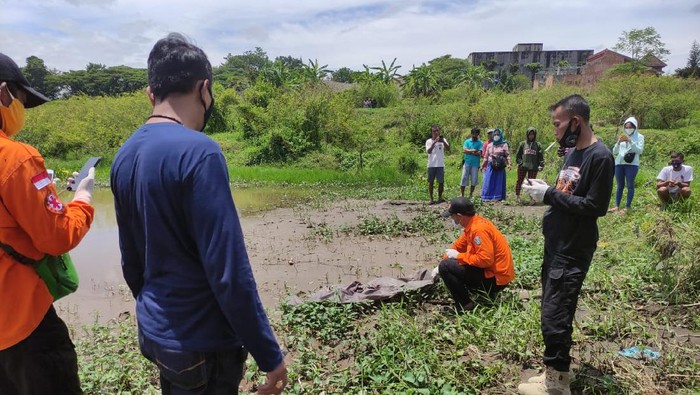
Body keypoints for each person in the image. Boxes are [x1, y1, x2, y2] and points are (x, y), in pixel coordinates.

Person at [110, 34, 287, 395]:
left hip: (157, 334)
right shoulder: (201, 153)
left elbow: (131, 261)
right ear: (204, 89)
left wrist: (156, 316)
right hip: (204, 342)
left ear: (151, 93)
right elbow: (229, 273)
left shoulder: (124, 156)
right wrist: (269, 355)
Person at [0, 53, 95, 394]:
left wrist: (45, 188)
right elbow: (56, 237)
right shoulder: (15, 157)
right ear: (3, 95)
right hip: (23, 328)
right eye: (21, 101)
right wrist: (81, 199)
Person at [519, 95, 614, 395]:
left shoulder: (600, 157)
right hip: (556, 244)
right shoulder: (573, 153)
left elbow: (594, 206)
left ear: (576, 121)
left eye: (557, 124)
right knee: (551, 308)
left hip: (573, 248)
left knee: (555, 316)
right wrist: (546, 190)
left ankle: (557, 385)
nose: (555, 131)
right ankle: (556, 372)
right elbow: (567, 193)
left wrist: (548, 195)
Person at [437, 197, 515, 312]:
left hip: (497, 279)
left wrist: (458, 256)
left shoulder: (478, 230)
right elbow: (457, 246)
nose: (451, 219)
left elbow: (486, 260)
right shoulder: (473, 224)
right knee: (445, 264)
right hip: (494, 274)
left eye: (452, 216)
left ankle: (465, 305)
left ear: (459, 216)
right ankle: (484, 295)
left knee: (445, 267)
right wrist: (442, 262)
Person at [610, 117, 645, 213]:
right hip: (619, 163)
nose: (628, 128)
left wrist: (630, 141)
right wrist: (618, 142)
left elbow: (640, 151)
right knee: (619, 185)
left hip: (632, 164)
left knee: (630, 185)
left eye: (630, 127)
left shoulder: (640, 137)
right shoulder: (622, 136)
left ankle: (627, 207)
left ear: (635, 127)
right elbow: (614, 151)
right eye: (626, 127)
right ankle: (616, 206)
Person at [515, 127, 545, 202]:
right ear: (527, 135)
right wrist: (520, 163)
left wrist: (541, 165)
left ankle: (532, 198)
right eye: (530, 134)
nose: (531, 136)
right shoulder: (523, 144)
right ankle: (518, 196)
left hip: (533, 167)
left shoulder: (538, 145)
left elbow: (540, 157)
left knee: (532, 183)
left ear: (535, 135)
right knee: (520, 181)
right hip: (523, 166)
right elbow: (518, 155)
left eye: (533, 134)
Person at [481, 128, 511, 201]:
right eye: (495, 134)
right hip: (490, 165)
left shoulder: (504, 144)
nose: (496, 136)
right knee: (488, 181)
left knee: (499, 181)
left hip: (500, 166)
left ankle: (498, 197)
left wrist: (509, 164)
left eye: (498, 134)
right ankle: (487, 197)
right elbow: (485, 157)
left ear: (500, 135)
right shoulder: (490, 145)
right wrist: (482, 166)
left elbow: (507, 155)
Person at [425, 124, 450, 204]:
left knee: (441, 182)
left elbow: (448, 149)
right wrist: (434, 142)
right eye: (434, 131)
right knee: (431, 182)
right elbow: (428, 151)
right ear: (431, 132)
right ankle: (431, 199)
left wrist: (442, 142)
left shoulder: (443, 140)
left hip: (440, 164)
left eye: (437, 131)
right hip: (431, 165)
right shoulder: (428, 141)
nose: (436, 132)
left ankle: (440, 198)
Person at [461, 128, 483, 198]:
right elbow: (464, 150)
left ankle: (471, 194)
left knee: (474, 180)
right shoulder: (467, 141)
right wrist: (473, 151)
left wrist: (469, 152)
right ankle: (462, 195)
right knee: (464, 178)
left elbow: (480, 153)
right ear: (471, 134)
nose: (474, 135)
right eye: (473, 133)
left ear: (478, 134)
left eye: (476, 134)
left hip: (475, 164)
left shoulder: (480, 143)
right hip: (467, 163)